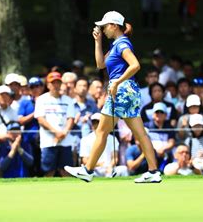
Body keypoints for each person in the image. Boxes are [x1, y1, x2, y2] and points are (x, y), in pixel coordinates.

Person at [65, 11, 160, 183]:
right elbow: (100, 64)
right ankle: (153, 171)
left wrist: (117, 82)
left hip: (121, 90)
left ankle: (88, 170)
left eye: (105, 26)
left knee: (101, 131)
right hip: (127, 91)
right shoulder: (116, 44)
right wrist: (97, 41)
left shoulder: (122, 44)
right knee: (140, 134)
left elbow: (135, 65)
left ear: (114, 26)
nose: (103, 29)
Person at [35, 72, 75, 177]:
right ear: (48, 85)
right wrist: (56, 133)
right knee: (48, 171)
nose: (56, 85)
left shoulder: (68, 100)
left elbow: (71, 119)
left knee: (66, 171)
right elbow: (41, 119)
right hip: (48, 141)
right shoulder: (41, 99)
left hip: (65, 141)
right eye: (53, 83)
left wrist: (63, 133)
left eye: (58, 83)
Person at [79, 113, 128, 177]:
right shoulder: (85, 139)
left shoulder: (113, 138)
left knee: (123, 169)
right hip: (94, 170)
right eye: (94, 123)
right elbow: (85, 160)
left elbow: (115, 158)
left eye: (98, 122)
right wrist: (99, 165)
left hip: (109, 168)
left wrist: (110, 167)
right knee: (83, 172)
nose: (96, 125)